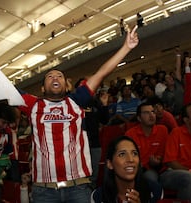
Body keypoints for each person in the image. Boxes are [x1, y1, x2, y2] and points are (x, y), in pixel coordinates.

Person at [18, 26, 139, 203]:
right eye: (50, 76)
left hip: (78, 188)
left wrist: (126, 47)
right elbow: (5, 88)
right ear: (42, 88)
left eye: (59, 76)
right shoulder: (33, 105)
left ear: (66, 86)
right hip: (44, 190)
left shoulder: (76, 101)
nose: (55, 78)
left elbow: (102, 72)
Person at [125, 102, 168, 203]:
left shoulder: (163, 130)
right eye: (146, 113)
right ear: (139, 118)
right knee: (150, 177)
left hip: (164, 170)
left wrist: (159, 161)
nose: (151, 115)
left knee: (189, 179)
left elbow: (166, 154)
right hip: (141, 171)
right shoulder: (130, 134)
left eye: (153, 112)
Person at [91, 136, 151, 203]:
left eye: (134, 153)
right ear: (110, 164)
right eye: (122, 154)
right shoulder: (98, 196)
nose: (131, 159)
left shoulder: (154, 191)